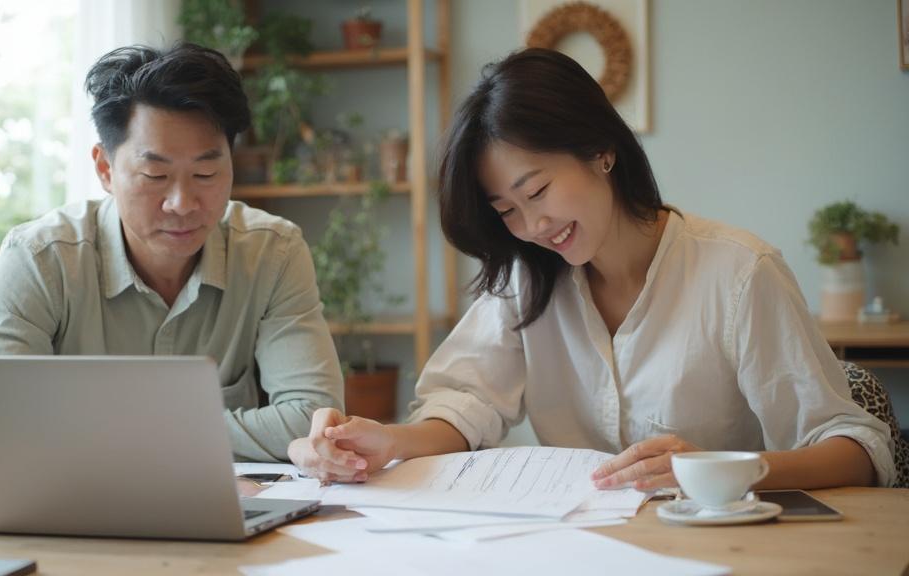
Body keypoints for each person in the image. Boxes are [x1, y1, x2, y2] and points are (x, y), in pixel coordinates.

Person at [288, 48, 896, 488]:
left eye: (538, 190)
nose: (532, 225)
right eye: (507, 210)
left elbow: (858, 451)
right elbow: (465, 403)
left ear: (601, 150)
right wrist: (389, 441)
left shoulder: (739, 273)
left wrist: (714, 470)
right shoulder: (528, 279)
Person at [0, 43, 343, 462]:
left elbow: (314, 420)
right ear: (105, 169)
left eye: (206, 173)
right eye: (155, 174)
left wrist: (107, 430)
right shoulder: (40, 259)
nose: (182, 203)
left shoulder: (272, 253)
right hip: (76, 498)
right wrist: (207, 431)